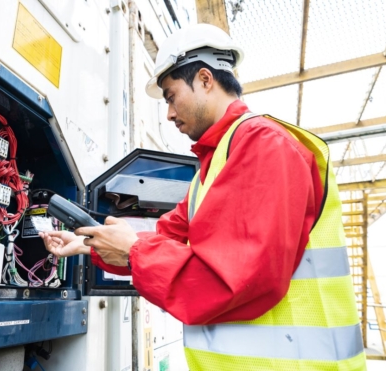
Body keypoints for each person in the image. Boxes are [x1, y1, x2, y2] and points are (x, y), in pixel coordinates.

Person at [40, 23, 365, 370]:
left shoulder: (265, 146)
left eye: (171, 96)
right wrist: (88, 243)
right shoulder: (214, 165)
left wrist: (134, 251)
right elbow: (166, 238)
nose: (168, 113)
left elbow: (236, 281)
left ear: (206, 80)